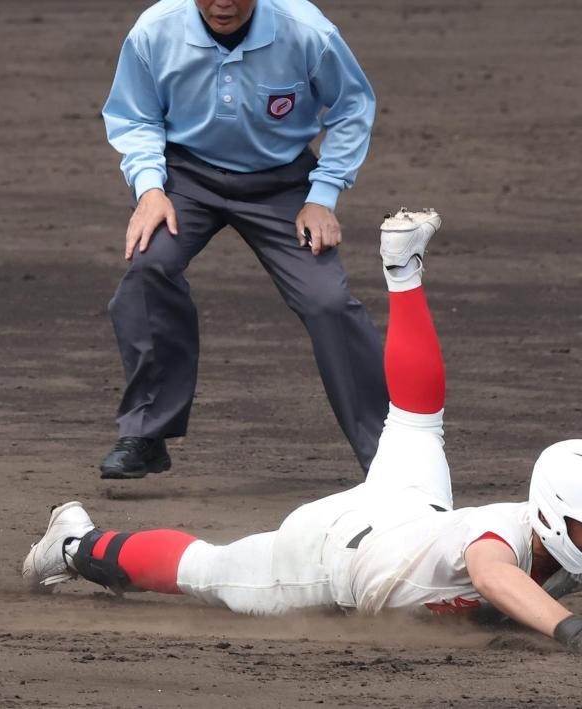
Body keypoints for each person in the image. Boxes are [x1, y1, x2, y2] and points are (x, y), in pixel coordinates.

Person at [25, 209, 582, 651]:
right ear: (551, 516)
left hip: (410, 506)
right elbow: (493, 577)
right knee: (207, 570)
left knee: (419, 420)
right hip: (330, 554)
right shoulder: (498, 546)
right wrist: (571, 630)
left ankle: (403, 271)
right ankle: (71, 543)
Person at [97, 0, 387, 479]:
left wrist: (323, 194)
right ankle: (147, 433)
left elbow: (353, 106)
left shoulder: (306, 31)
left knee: (327, 301)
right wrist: (149, 188)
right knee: (149, 267)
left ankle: (388, 456)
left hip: (283, 185)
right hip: (186, 176)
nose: (222, 4)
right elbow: (135, 117)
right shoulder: (155, 31)